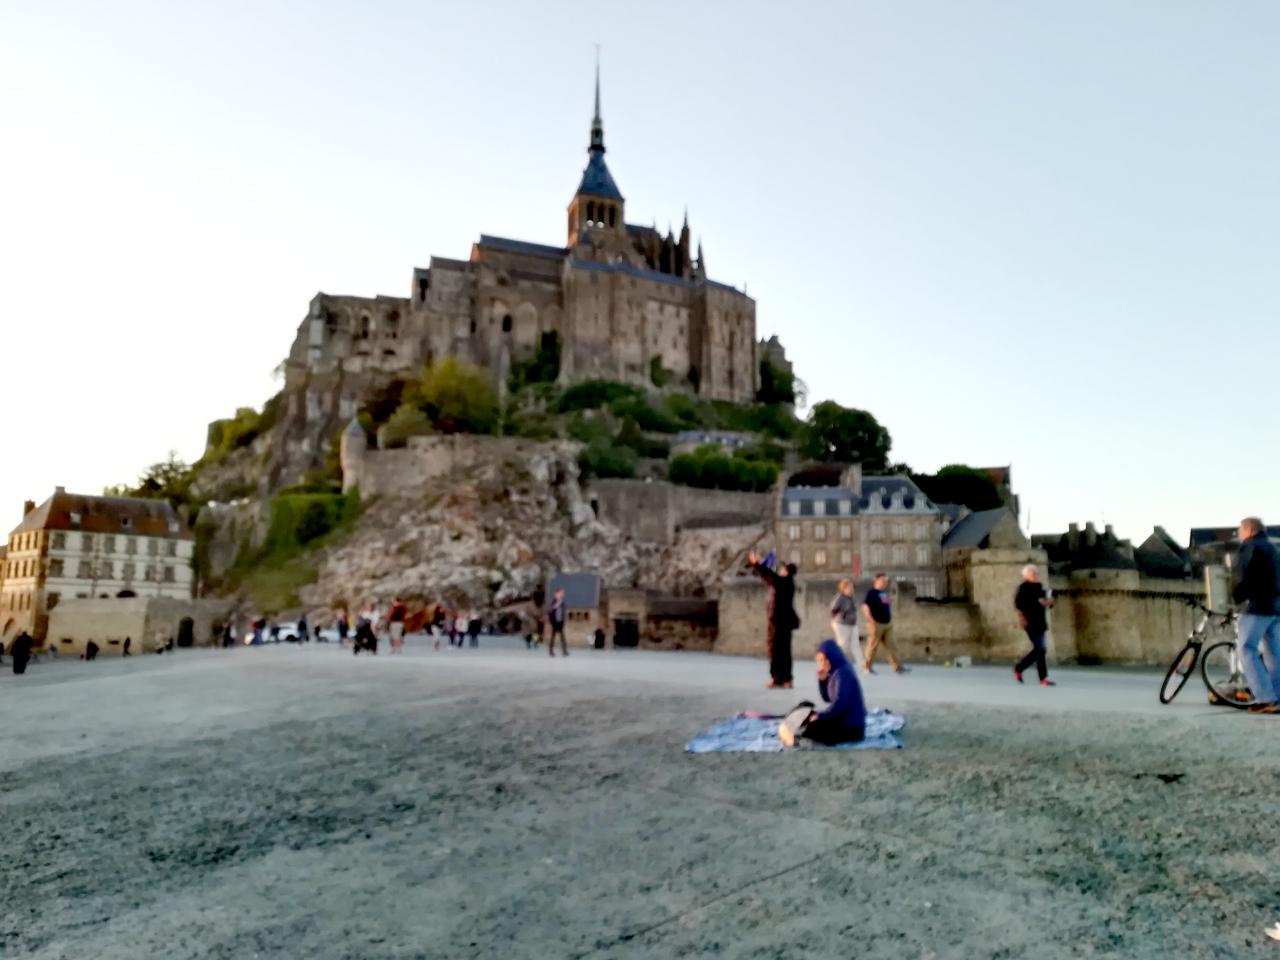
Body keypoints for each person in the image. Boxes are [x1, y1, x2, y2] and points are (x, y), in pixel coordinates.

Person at [779, 639, 867, 747]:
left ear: (831, 657)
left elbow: (841, 705)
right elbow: (828, 698)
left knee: (813, 727)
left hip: (851, 729)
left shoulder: (843, 673)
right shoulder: (835, 670)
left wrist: (821, 716)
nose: (822, 663)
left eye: (823, 659)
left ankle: (798, 737)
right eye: (819, 660)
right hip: (841, 720)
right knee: (806, 712)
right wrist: (823, 681)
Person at [1232, 517, 1280, 714]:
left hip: (1256, 606)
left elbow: (1241, 576)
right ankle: (1277, 695)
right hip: (1275, 607)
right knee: (1274, 653)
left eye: (1240, 531)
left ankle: (1266, 698)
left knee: (1247, 649)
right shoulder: (1272, 549)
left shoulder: (1249, 547)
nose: (1239, 535)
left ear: (1249, 529)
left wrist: (1236, 599)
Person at [747, 551, 798, 689]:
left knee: (782, 651)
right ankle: (777, 678)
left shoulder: (786, 583)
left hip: (782, 622)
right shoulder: (783, 583)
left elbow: (770, 575)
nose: (780, 570)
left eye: (782, 569)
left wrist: (757, 564)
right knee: (775, 650)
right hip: (776, 621)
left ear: (787, 571)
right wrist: (758, 564)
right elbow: (770, 576)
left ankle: (786, 678)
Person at [1013, 564, 1055, 686]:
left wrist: (1047, 602)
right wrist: (1035, 603)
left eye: (1036, 573)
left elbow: (1049, 601)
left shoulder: (1039, 587)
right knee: (1040, 649)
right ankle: (1041, 677)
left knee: (1040, 650)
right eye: (1033, 573)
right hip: (1030, 622)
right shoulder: (1023, 588)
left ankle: (1021, 669)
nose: (1036, 575)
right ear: (1026, 575)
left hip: (1040, 622)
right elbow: (1018, 604)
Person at [862, 573, 905, 675]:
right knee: (872, 646)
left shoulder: (884, 593)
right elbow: (865, 606)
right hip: (876, 624)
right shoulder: (871, 593)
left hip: (887, 624)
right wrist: (870, 619)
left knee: (892, 645)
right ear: (876, 581)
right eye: (882, 580)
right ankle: (867, 667)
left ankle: (897, 667)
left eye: (886, 581)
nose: (885, 583)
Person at [829, 578, 861, 663]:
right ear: (843, 588)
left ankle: (862, 665)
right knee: (843, 644)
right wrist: (837, 620)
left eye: (852, 587)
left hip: (851, 624)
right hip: (841, 623)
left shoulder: (852, 597)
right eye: (848, 587)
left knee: (853, 644)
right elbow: (833, 609)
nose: (851, 589)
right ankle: (836, 661)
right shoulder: (839, 597)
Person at [546, 588, 568, 657]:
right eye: (561, 593)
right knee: (553, 637)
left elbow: (563, 613)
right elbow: (549, 611)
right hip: (555, 622)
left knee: (562, 637)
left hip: (560, 622)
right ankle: (551, 651)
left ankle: (564, 651)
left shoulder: (562, 602)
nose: (562, 594)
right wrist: (551, 620)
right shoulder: (553, 602)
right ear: (557, 593)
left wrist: (563, 621)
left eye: (563, 593)